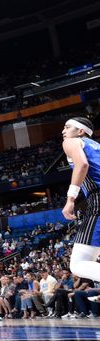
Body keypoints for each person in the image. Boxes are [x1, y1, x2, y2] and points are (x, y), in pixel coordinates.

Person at [61, 117, 100, 284]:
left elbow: (82, 164)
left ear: (80, 131)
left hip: (98, 199)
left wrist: (71, 199)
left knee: (77, 265)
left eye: (67, 127)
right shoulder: (97, 147)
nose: (63, 131)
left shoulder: (72, 141)